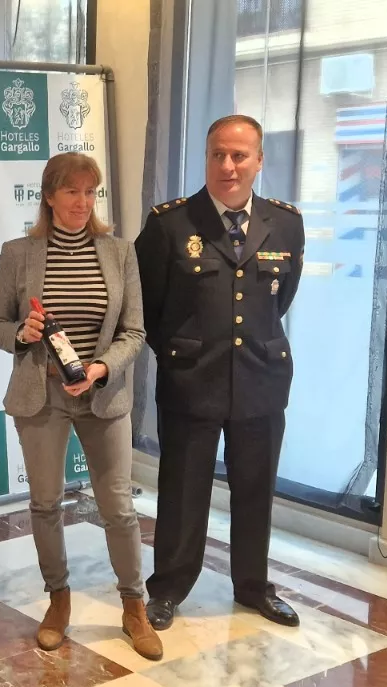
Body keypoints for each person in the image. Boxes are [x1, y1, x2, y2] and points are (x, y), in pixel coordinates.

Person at [0, 152, 160, 661]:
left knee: (119, 508)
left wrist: (102, 369)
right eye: (72, 192)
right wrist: (20, 333)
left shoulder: (120, 252)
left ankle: (134, 606)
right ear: (49, 195)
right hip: (42, 399)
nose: (83, 202)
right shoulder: (19, 253)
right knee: (45, 504)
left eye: (90, 192)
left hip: (103, 397)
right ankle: (58, 600)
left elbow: (134, 331)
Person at [135, 114, 305, 630]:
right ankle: (167, 589)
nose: (227, 166)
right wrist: (181, 351)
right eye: (217, 155)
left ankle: (253, 586)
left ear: (258, 161)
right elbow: (146, 307)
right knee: (183, 489)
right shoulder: (170, 224)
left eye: (239, 156)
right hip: (192, 380)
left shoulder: (286, 222)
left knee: (256, 489)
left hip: (261, 378)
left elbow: (282, 296)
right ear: (206, 157)